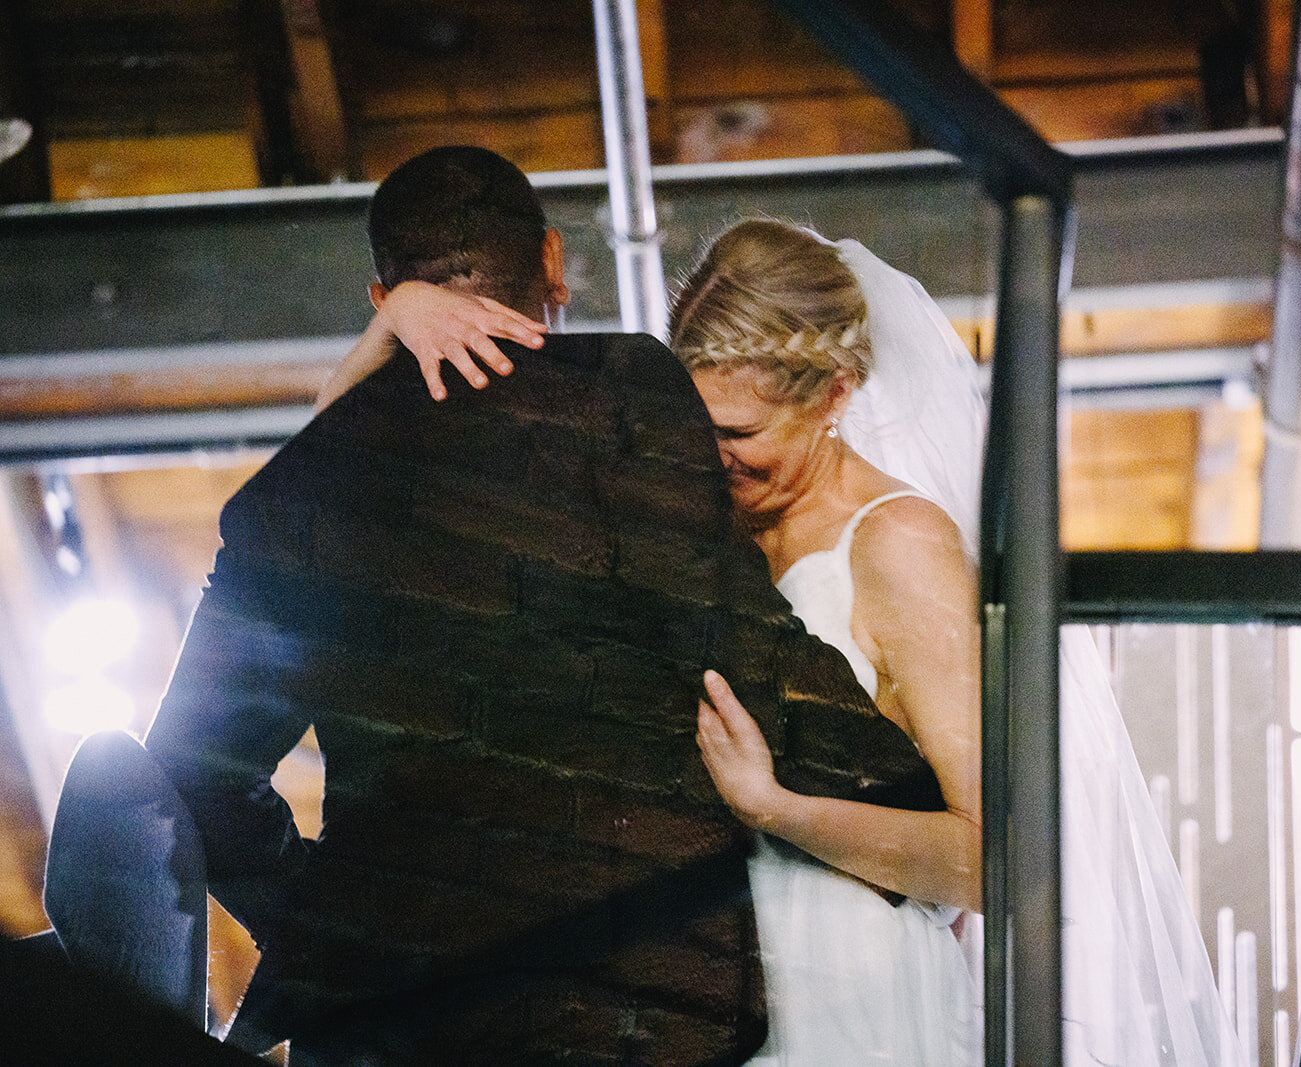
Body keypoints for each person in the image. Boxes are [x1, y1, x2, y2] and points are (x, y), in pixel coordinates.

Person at [35, 149, 944, 1065]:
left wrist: (351, 929)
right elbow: (742, 651)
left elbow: (192, 780)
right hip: (639, 1026)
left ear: (379, 299)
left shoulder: (293, 494)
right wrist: (901, 795)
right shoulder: (627, 396)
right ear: (552, 261)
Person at [354, 218, 1244, 1065]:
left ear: (834, 395)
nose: (713, 455)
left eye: (742, 433)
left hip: (854, 1010)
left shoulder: (899, 546)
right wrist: (390, 325)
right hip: (698, 1000)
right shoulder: (697, 518)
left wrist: (776, 808)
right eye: (696, 424)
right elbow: (372, 514)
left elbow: (996, 860)